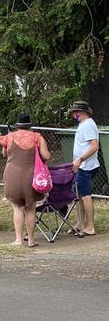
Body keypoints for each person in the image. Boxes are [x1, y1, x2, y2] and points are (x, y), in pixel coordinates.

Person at [0, 113, 51, 247]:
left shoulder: (9, 137)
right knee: (31, 208)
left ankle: (18, 239)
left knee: (17, 207)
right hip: (31, 175)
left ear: (18, 126)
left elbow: (4, 154)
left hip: (12, 175)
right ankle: (31, 240)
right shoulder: (37, 137)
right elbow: (46, 156)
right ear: (29, 125)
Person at [68, 101, 100, 236]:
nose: (74, 115)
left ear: (83, 112)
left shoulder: (88, 125)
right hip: (80, 166)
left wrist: (80, 159)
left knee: (86, 196)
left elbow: (94, 146)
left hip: (86, 167)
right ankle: (80, 224)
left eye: (76, 112)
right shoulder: (83, 124)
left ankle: (90, 226)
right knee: (79, 196)